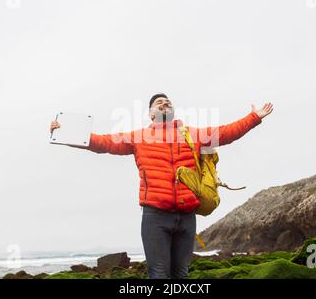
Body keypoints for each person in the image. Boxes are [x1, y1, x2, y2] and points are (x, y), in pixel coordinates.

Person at [49, 93, 273, 278]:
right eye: (159, 102)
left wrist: (254, 117)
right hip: (155, 217)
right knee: (158, 274)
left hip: (186, 216)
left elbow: (226, 133)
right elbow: (103, 143)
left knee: (181, 274)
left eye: (168, 102)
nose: (165, 103)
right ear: (151, 114)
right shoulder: (139, 137)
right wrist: (65, 132)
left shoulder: (193, 135)